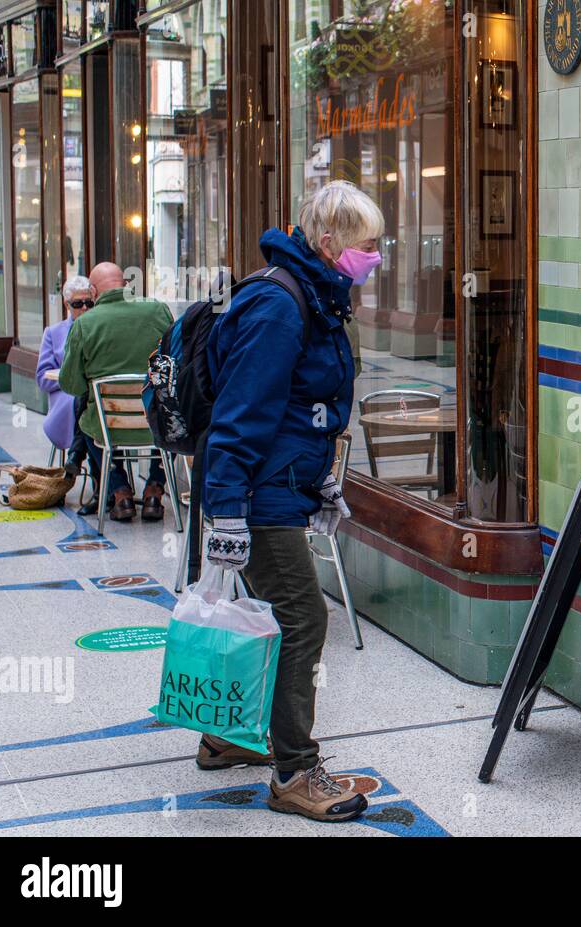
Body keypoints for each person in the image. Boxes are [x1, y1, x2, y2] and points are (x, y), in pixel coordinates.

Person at [200, 180, 380, 822]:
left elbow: (304, 408)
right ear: (329, 241)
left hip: (280, 486)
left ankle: (231, 736)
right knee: (303, 618)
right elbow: (239, 414)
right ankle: (295, 772)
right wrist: (225, 512)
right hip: (256, 495)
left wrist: (319, 480)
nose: (376, 256)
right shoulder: (281, 305)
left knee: (268, 616)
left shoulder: (318, 295)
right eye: (368, 244)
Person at [59, 262, 174, 522]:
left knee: (87, 422)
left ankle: (120, 493)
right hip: (154, 425)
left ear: (93, 292)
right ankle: (155, 489)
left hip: (108, 427)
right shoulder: (158, 311)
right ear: (124, 285)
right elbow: (175, 365)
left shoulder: (84, 324)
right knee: (170, 413)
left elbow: (71, 385)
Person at [36, 276, 95, 475]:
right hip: (65, 397)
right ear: (67, 305)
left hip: (98, 397)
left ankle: (78, 457)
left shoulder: (100, 328)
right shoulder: (53, 333)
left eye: (89, 302)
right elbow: (42, 377)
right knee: (83, 404)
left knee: (91, 406)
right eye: (78, 304)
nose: (85, 309)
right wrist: (70, 378)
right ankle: (101, 484)